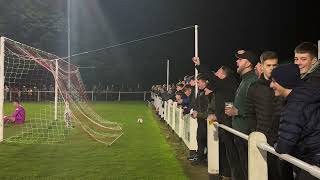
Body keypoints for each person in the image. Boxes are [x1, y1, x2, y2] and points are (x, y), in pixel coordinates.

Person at [193, 57, 242, 180]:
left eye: (219, 72)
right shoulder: (224, 84)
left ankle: (231, 175)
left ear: (224, 74)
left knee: (231, 152)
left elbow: (212, 78)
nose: (216, 73)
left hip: (228, 123)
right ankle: (225, 174)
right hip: (224, 122)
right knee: (226, 151)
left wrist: (200, 65)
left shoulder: (229, 82)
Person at [270, 63, 320, 180]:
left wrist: (278, 146)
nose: (271, 85)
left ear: (284, 82)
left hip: (314, 159)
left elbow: (285, 143)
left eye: (274, 81)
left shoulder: (294, 105)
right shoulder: (305, 95)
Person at [245, 51, 286, 180]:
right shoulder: (254, 87)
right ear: (261, 66)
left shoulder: (285, 85)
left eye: (275, 65)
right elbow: (249, 113)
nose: (272, 69)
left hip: (283, 140)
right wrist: (254, 133)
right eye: (269, 65)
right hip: (263, 140)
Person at [225, 50, 258, 180]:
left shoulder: (253, 80)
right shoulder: (244, 80)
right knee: (243, 169)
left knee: (249, 171)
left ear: (248, 63)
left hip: (247, 134)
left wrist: (237, 111)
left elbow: (258, 108)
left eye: (240, 59)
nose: (237, 61)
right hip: (240, 133)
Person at [190, 74, 212, 165]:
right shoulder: (200, 92)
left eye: (198, 82)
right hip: (201, 121)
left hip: (207, 122)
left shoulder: (209, 93)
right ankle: (200, 158)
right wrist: (195, 111)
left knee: (207, 141)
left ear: (205, 82)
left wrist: (198, 114)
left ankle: (207, 159)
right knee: (200, 139)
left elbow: (209, 110)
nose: (197, 84)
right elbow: (196, 103)